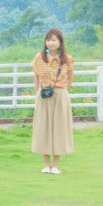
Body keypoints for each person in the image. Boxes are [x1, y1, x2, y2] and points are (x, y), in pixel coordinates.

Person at [31, 27, 75, 174]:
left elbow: (70, 78)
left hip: (60, 95)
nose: (50, 43)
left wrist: (61, 90)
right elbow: (36, 78)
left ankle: (55, 165)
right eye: (48, 40)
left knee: (59, 129)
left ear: (60, 42)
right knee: (43, 128)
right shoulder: (39, 58)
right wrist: (37, 94)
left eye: (54, 40)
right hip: (44, 95)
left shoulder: (67, 59)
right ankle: (46, 165)